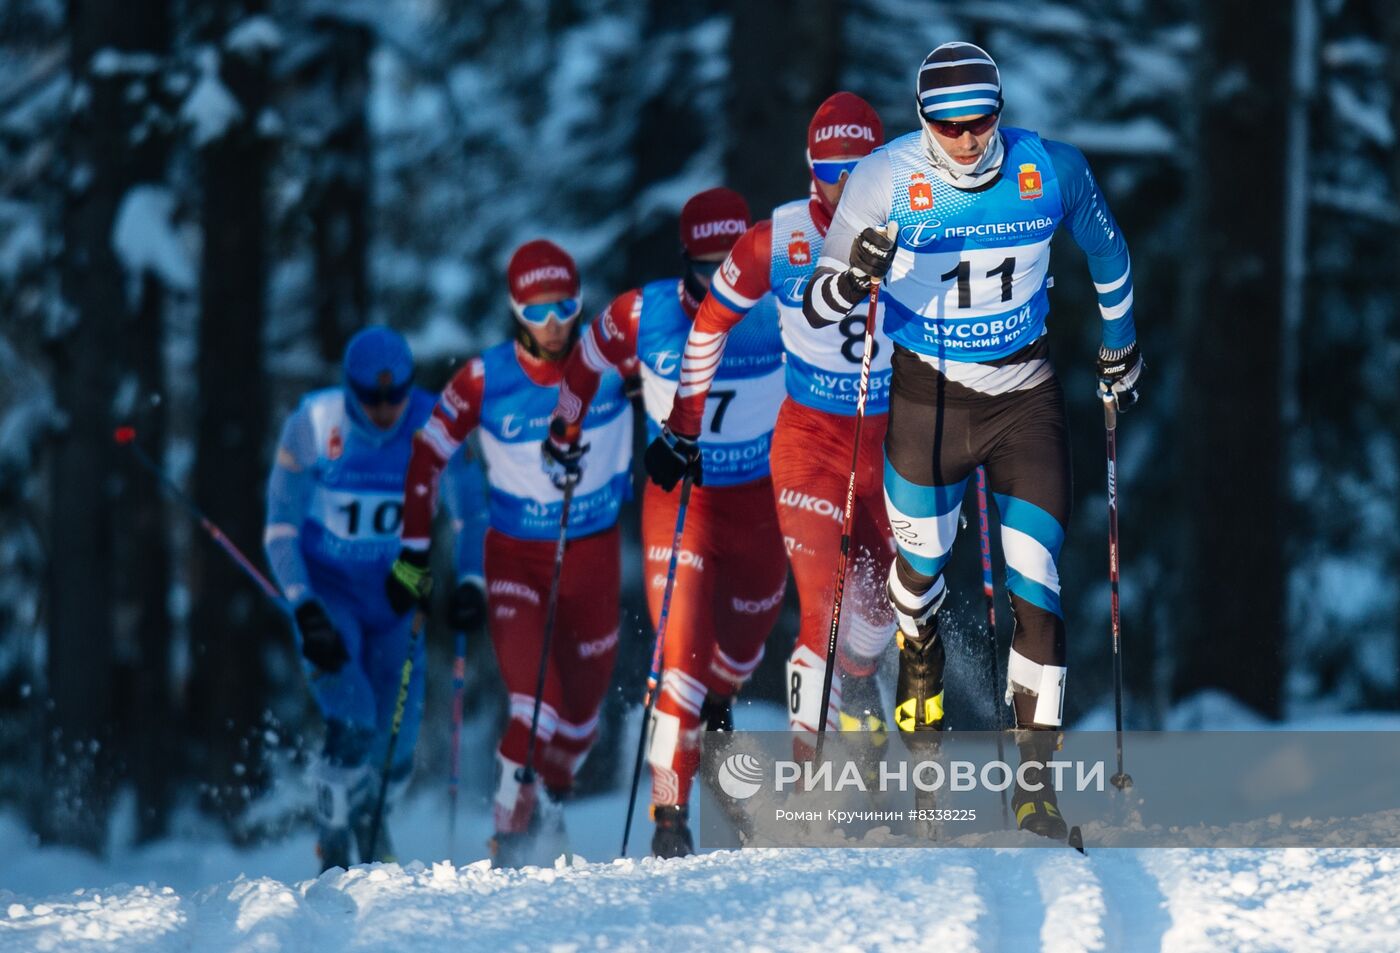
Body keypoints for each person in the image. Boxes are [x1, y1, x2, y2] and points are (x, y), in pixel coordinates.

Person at [803, 42, 1143, 840]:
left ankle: (1035, 790)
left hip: (1025, 399)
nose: (965, 140)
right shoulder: (885, 178)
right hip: (929, 400)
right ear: (921, 120)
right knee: (915, 586)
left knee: (1041, 589)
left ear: (1001, 110)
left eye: (980, 120)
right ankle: (918, 662)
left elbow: (1109, 251)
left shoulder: (1048, 168)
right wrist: (855, 276)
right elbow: (821, 301)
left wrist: (1120, 345)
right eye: (946, 125)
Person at [547, 187, 787, 857]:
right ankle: (668, 815)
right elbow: (586, 362)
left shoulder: (782, 301)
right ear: (686, 261)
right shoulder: (643, 312)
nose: (723, 281)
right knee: (677, 655)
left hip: (761, 506)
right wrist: (564, 429)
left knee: (739, 648)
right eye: (708, 267)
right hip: (682, 504)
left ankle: (718, 705)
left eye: (735, 261)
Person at [656, 93, 896, 758]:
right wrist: (683, 426)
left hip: (893, 446)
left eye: (862, 169)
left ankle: (859, 678)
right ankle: (808, 775)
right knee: (823, 605)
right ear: (808, 169)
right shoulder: (779, 238)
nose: (846, 185)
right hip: (810, 444)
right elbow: (708, 325)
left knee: (884, 605)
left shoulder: (920, 222)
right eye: (831, 169)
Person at [387, 239, 633, 867]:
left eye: (566, 306)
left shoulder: (612, 365)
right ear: (515, 309)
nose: (553, 324)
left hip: (593, 557)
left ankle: (544, 803)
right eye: (537, 309)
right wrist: (415, 552)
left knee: (579, 725)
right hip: (516, 560)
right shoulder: (483, 378)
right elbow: (426, 455)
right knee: (535, 704)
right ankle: (509, 832)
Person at [264, 326, 487, 871]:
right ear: (349, 389)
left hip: (395, 599)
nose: (386, 408)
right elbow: (280, 530)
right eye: (372, 397)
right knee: (356, 719)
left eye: (397, 394)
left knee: (398, 740)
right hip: (329, 596)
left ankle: (371, 815)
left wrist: (471, 582)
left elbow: (471, 514)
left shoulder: (436, 422)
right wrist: (304, 605)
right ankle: (333, 831)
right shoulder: (314, 424)